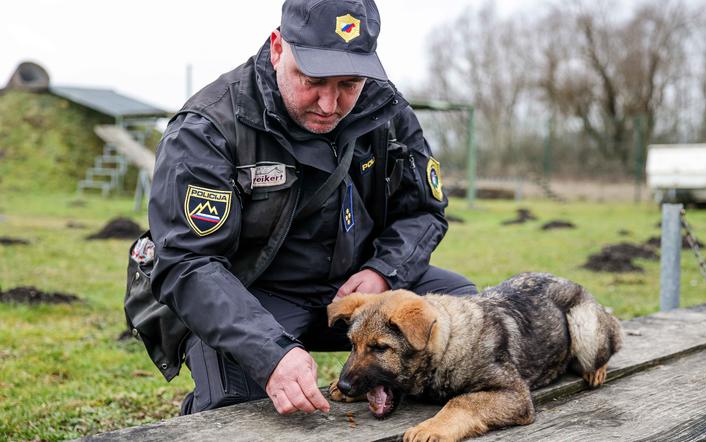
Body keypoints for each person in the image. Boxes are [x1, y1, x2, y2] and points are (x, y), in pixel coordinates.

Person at [147, 0, 477, 417]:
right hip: (257, 295)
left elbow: (424, 212)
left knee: (460, 313)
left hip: (355, 291)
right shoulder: (209, 128)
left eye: (348, 84)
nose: (329, 104)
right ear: (277, 47)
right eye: (314, 80)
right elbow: (188, 263)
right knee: (237, 411)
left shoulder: (384, 108)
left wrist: (383, 273)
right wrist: (270, 352)